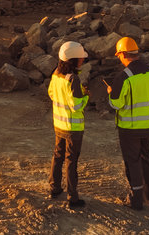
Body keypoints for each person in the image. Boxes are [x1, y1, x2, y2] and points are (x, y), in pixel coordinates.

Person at [106, 36, 149, 210]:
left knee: (133, 161)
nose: (119, 59)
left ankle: (136, 200)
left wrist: (111, 92)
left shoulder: (124, 77)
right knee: (148, 158)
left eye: (119, 56)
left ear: (123, 54)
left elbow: (115, 104)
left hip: (130, 129)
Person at [48, 41, 90, 209]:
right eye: (81, 58)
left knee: (58, 157)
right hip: (73, 128)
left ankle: (54, 188)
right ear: (73, 60)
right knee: (71, 161)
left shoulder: (56, 74)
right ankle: (73, 197)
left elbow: (51, 93)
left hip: (59, 125)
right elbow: (77, 105)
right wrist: (86, 95)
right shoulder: (73, 79)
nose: (83, 61)